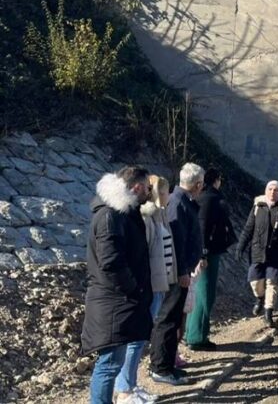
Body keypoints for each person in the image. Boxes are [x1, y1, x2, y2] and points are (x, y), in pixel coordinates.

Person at [83, 167, 153, 404]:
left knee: (112, 363)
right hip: (113, 302)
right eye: (148, 187)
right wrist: (134, 289)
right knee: (109, 364)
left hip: (117, 301)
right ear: (136, 187)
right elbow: (111, 262)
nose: (150, 192)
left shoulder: (121, 213)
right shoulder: (110, 216)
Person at [114, 175, 173, 404]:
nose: (169, 195)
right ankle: (125, 391)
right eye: (165, 191)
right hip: (147, 287)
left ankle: (131, 385)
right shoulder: (146, 218)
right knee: (135, 340)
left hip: (157, 285)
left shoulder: (158, 215)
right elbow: (143, 256)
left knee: (140, 340)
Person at [150, 162, 203, 386]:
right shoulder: (179, 202)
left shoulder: (182, 201)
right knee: (168, 320)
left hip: (180, 271)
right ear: (198, 185)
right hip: (176, 273)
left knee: (174, 319)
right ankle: (161, 367)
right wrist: (182, 271)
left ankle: (168, 366)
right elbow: (177, 241)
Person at [186, 168, 234, 351]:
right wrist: (203, 253)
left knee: (198, 293)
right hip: (207, 254)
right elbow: (203, 226)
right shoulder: (210, 199)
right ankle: (197, 337)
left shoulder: (201, 197)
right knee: (204, 294)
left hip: (203, 252)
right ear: (217, 180)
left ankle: (191, 332)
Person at [237, 180, 278, 328]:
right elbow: (249, 228)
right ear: (265, 190)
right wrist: (240, 247)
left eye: (276, 190)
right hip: (257, 251)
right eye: (270, 189)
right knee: (255, 282)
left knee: (272, 283)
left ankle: (268, 312)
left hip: (276, 252)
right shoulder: (258, 207)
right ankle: (259, 298)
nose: (273, 192)